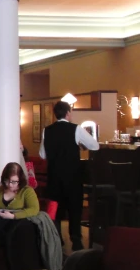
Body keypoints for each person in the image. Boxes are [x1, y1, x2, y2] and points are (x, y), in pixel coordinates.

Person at [39, 101, 99, 250]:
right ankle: (76, 240)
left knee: (55, 208)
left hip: (54, 176)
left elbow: (42, 154)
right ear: (67, 113)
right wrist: (79, 145)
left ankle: (57, 238)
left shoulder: (47, 130)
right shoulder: (76, 129)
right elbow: (95, 145)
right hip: (72, 176)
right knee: (74, 208)